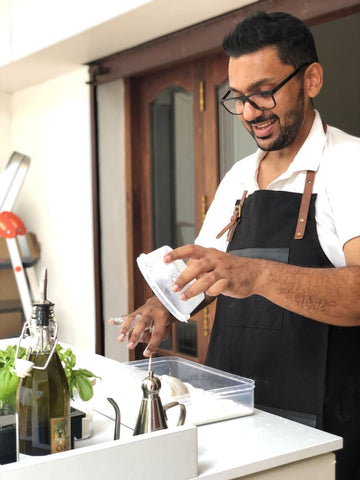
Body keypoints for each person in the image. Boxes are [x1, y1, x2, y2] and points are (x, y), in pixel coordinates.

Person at [117, 11, 360, 479]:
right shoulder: (239, 177)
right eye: (240, 97)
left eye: (264, 91)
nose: (249, 112)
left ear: (311, 79)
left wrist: (257, 274)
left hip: (320, 427)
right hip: (237, 415)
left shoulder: (348, 164)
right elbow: (209, 271)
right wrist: (163, 305)